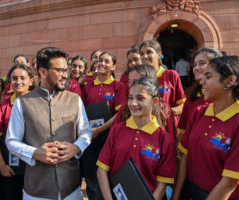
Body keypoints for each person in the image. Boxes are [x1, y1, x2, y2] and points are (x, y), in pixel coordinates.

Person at [5, 47, 92, 200]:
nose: (65, 75)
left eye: (66, 70)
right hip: (36, 190)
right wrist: (35, 153)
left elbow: (86, 132)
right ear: (43, 72)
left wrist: (76, 148)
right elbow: (11, 141)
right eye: (59, 70)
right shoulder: (22, 102)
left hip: (71, 189)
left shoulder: (75, 99)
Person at [97, 77, 176, 200]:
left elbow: (162, 185)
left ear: (154, 101)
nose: (133, 103)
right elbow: (101, 169)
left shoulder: (165, 139)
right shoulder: (117, 130)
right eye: (130, 98)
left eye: (140, 98)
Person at [172, 56, 239, 200]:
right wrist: (175, 197)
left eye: (208, 76)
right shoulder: (199, 113)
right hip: (189, 193)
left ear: (230, 81)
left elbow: (229, 183)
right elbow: (185, 157)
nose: (202, 81)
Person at [82, 51, 126, 200]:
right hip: (90, 137)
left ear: (113, 66)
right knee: (91, 177)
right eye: (101, 60)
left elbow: (119, 115)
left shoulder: (118, 86)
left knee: (106, 175)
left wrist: (100, 130)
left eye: (107, 61)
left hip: (108, 137)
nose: (102, 63)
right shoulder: (87, 86)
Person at [0, 64, 33, 200]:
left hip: (35, 165)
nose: (18, 82)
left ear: (31, 80)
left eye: (23, 78)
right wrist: (1, 165)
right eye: (14, 78)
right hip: (11, 166)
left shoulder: (39, 102)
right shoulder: (4, 104)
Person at [177, 48, 222, 135]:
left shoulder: (227, 97)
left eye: (202, 63)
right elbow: (184, 133)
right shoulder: (191, 97)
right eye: (194, 65)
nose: (196, 68)